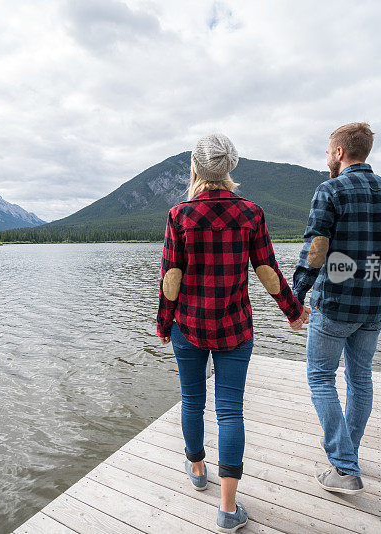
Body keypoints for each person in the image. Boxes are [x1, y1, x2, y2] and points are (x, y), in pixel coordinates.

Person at [156, 133, 308, 532]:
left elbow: (172, 276)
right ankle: (227, 509)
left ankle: (198, 468)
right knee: (230, 410)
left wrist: (164, 321)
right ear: (231, 167)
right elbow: (267, 271)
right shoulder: (251, 213)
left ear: (195, 168)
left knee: (191, 400)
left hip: (189, 326)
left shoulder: (180, 215)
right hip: (235, 328)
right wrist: (292, 312)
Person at [292, 122, 381, 494]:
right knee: (360, 380)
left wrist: (295, 296)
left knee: (321, 378)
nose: (327, 157)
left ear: (340, 152)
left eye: (329, 151)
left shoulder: (330, 190)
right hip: (374, 308)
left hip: (335, 306)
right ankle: (347, 457)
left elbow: (317, 248)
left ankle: (343, 467)